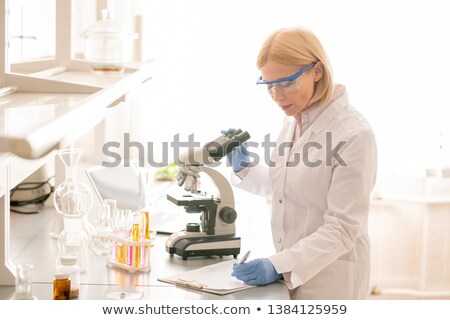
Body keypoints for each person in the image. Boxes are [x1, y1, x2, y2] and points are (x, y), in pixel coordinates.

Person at [227, 26, 377, 300]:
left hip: (333, 280)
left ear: (316, 71)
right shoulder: (294, 118)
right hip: (291, 271)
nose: (277, 96)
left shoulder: (354, 134)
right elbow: (288, 188)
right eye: (269, 85)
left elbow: (343, 228)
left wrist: (278, 265)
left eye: (287, 83)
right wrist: (245, 169)